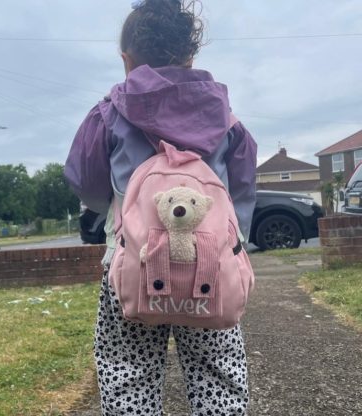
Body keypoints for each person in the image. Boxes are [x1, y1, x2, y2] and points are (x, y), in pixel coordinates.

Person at [64, 0, 257, 414]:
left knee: (128, 370)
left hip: (132, 263)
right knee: (217, 370)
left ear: (126, 60)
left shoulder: (108, 114)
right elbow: (241, 201)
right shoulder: (228, 120)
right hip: (211, 267)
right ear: (190, 56)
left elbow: (90, 189)